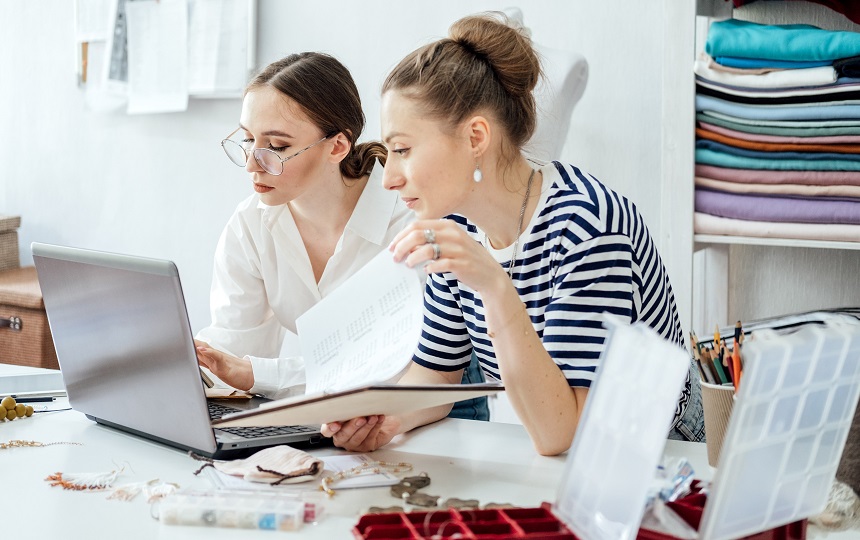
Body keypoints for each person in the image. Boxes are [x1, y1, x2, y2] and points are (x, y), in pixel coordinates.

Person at [321, 12, 704, 456]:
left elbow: (563, 430)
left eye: (404, 150)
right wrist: (383, 417)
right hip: (570, 458)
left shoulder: (588, 228)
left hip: (662, 456)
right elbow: (438, 373)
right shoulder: (456, 225)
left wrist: (494, 286)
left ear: (476, 136)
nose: (388, 178)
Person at [194, 52, 489, 419]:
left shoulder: (410, 219)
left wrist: (255, 374)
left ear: (337, 145)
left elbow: (390, 369)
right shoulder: (250, 225)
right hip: (338, 413)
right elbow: (235, 344)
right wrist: (190, 364)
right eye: (249, 139)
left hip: (431, 409)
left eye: (276, 147)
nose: (253, 163)